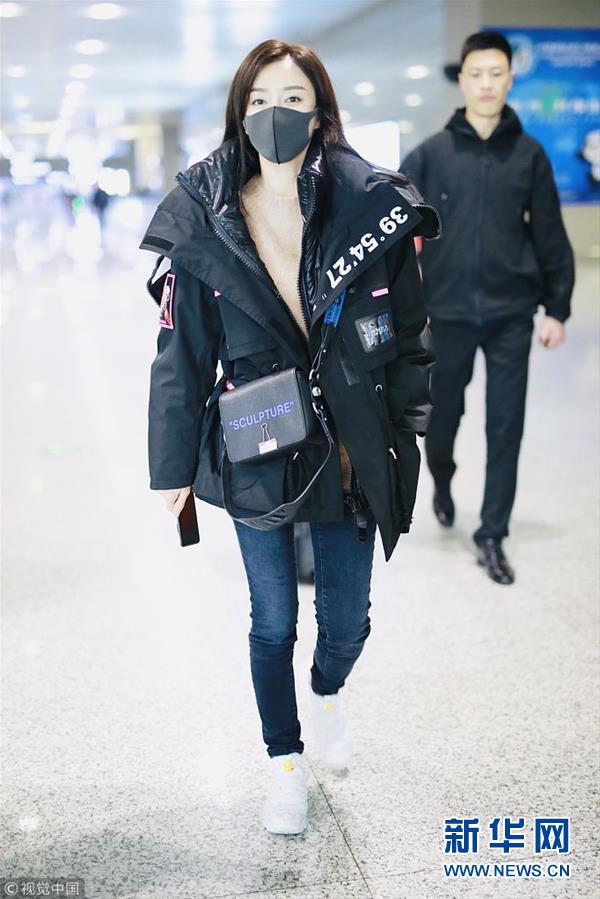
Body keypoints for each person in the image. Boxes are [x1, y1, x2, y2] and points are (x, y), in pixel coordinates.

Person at [140, 39, 439, 834]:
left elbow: (412, 334)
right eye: (261, 100)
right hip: (257, 436)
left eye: (294, 98)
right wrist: (171, 465)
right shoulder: (205, 215)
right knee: (271, 618)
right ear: (240, 112)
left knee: (347, 622)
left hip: (347, 442)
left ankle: (328, 689)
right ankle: (284, 763)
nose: (277, 113)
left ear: (320, 111)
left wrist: (408, 429)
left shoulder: (369, 206)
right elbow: (180, 354)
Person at [401, 30, 575, 586]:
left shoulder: (529, 155)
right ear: (462, 79)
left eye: (496, 73)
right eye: (476, 73)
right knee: (442, 420)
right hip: (446, 313)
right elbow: (392, 229)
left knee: (505, 425)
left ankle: (492, 535)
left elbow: (549, 233)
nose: (486, 84)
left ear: (509, 79)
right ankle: (443, 479)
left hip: (509, 314)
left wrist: (557, 308)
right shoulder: (431, 154)